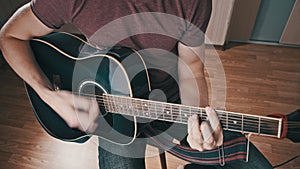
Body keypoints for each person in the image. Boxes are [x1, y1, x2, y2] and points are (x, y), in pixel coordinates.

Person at [0, 0, 273, 168]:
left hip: (170, 101)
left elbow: (192, 67)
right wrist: (48, 94)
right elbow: (10, 37)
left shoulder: (193, 2)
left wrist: (197, 119)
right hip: (111, 117)